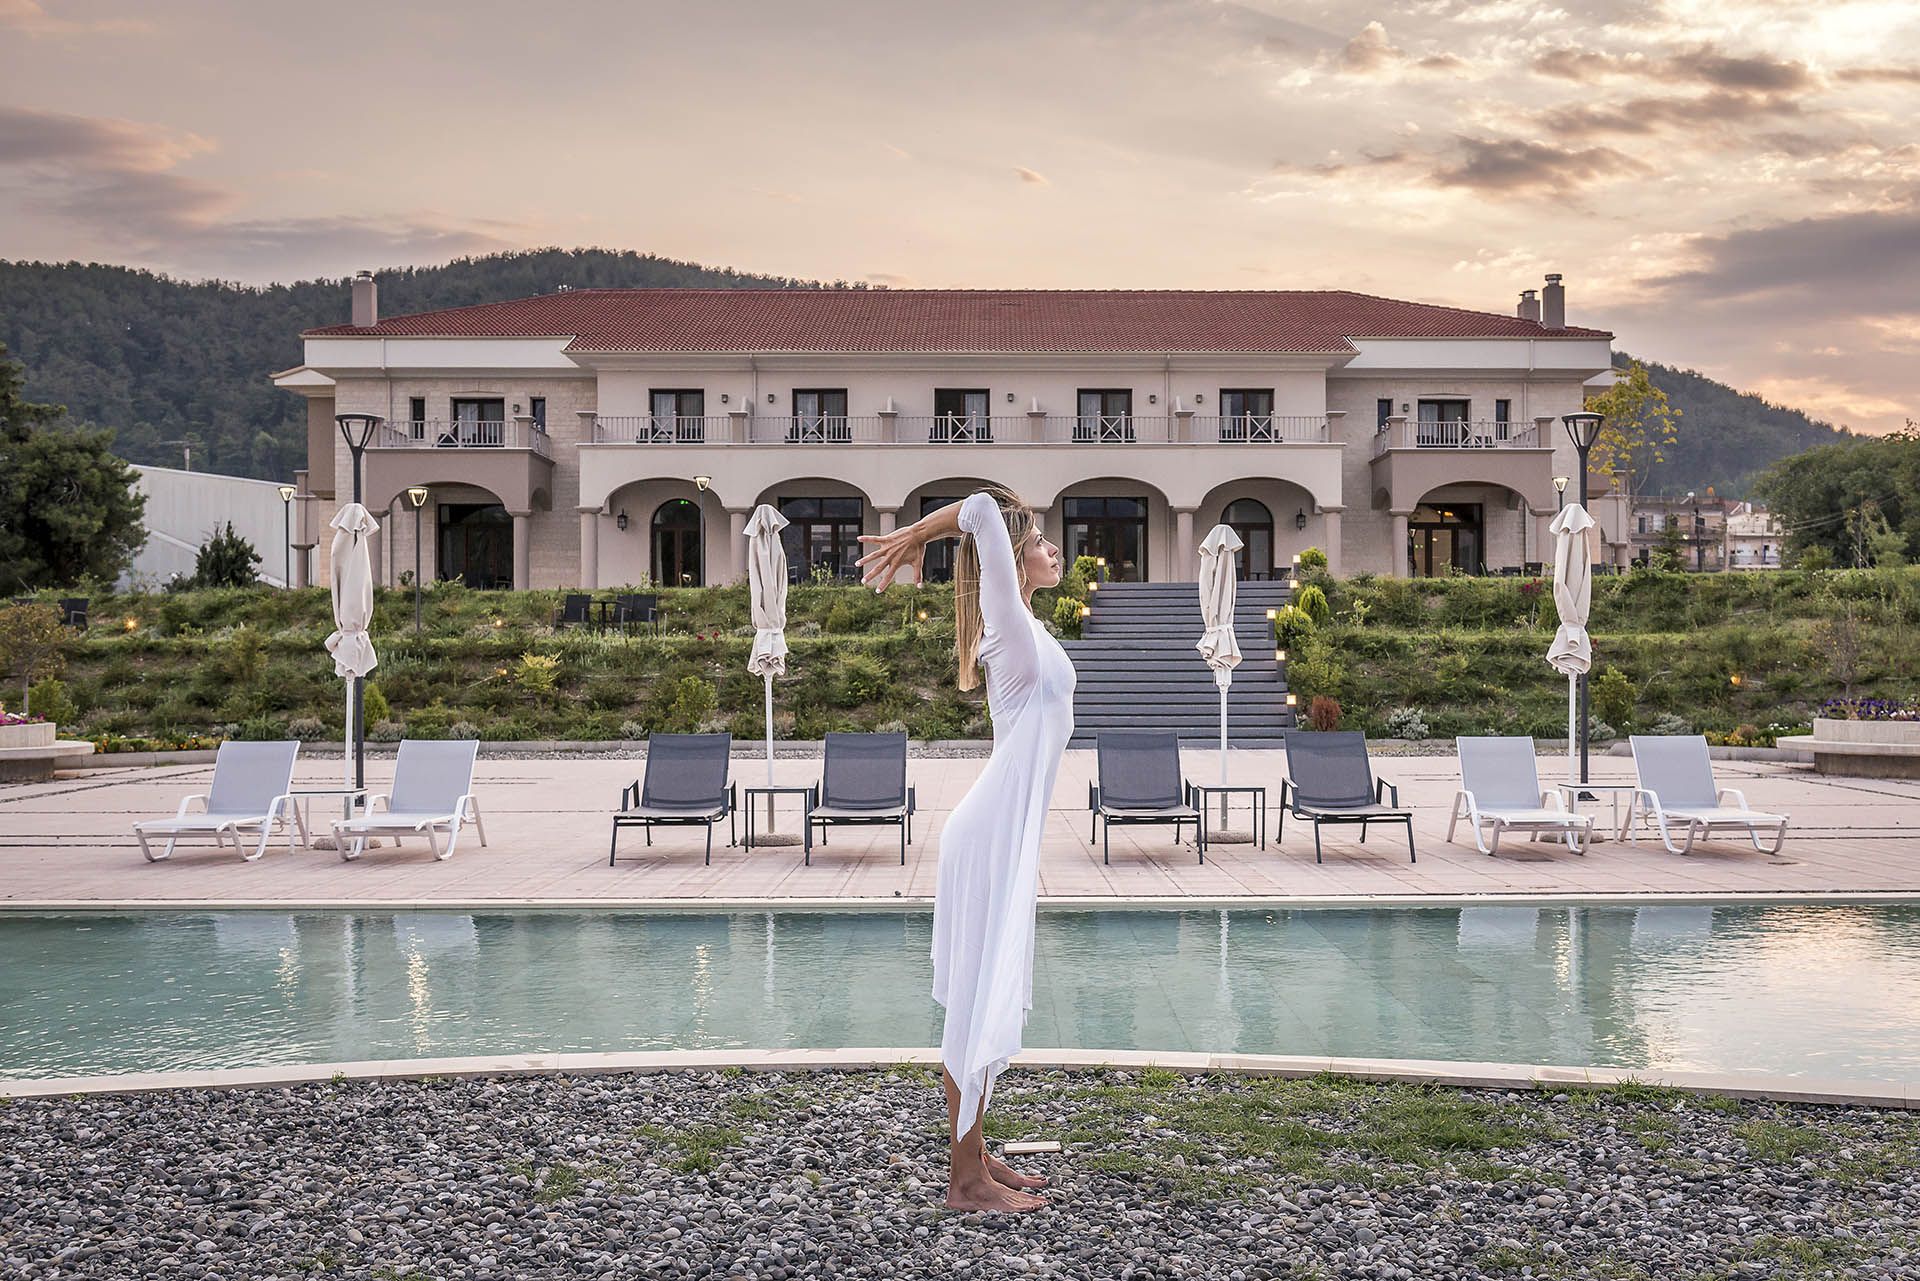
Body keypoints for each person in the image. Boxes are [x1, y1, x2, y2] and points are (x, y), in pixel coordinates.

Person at [856, 487, 1074, 1213]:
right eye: (1041, 540)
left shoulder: (1028, 631)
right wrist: (915, 534)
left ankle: (976, 1152)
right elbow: (980, 507)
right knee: (976, 1003)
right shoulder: (1008, 623)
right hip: (987, 837)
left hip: (1003, 836)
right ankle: (964, 1181)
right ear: (1016, 560)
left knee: (989, 996)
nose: (1054, 550)